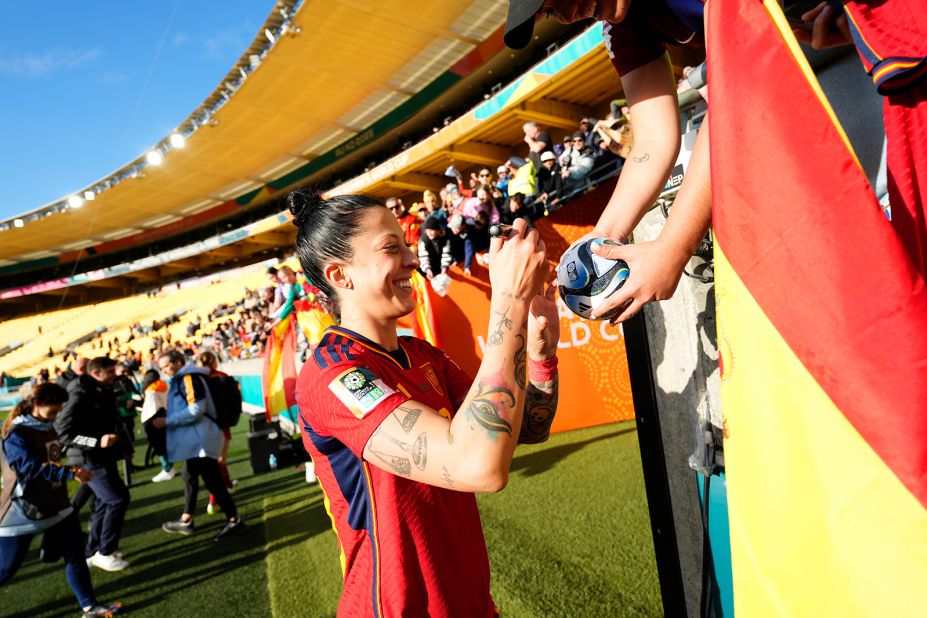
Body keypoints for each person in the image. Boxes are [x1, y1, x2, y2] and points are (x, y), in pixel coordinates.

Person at [287, 189, 560, 615]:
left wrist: (541, 356)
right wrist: (508, 299)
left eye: (406, 245)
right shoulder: (332, 375)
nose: (413, 259)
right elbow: (479, 467)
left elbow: (527, 429)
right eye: (391, 248)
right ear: (341, 276)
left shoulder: (424, 355)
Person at [505, 0, 711, 323]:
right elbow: (653, 140)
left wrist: (673, 247)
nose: (566, 15)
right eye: (550, 11)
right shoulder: (622, 28)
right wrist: (603, 238)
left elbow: (738, 89)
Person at [0, 383, 123, 617]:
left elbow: (69, 439)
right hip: (23, 509)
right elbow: (27, 468)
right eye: (55, 406)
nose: (59, 411)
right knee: (6, 568)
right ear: (37, 404)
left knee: (76, 554)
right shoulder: (17, 433)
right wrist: (68, 472)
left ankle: (90, 607)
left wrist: (97, 441)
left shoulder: (48, 425)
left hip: (57, 504)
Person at [154, 350, 244, 541]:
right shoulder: (187, 377)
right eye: (162, 368)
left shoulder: (189, 378)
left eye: (166, 366)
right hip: (200, 437)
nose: (164, 371)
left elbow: (196, 409)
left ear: (178, 362)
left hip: (204, 437)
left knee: (212, 480)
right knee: (189, 475)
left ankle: (234, 519)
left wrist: (168, 421)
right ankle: (187, 519)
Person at [54, 357, 131, 572]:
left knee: (104, 502)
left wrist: (121, 446)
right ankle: (104, 551)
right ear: (96, 373)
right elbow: (63, 433)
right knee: (117, 499)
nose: (115, 375)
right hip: (88, 458)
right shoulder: (80, 392)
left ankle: (93, 551)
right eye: (110, 372)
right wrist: (96, 442)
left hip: (101, 456)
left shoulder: (101, 389)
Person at [196, 351, 237, 516]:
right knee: (219, 462)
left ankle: (227, 485)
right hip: (222, 425)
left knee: (215, 462)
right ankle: (214, 499)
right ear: (213, 361)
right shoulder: (221, 376)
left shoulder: (196, 379)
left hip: (204, 427)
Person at [140, 369, 175, 482]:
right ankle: (169, 467)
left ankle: (167, 469)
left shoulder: (151, 390)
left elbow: (151, 408)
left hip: (155, 420)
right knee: (165, 444)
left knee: (159, 446)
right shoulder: (165, 384)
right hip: (167, 415)